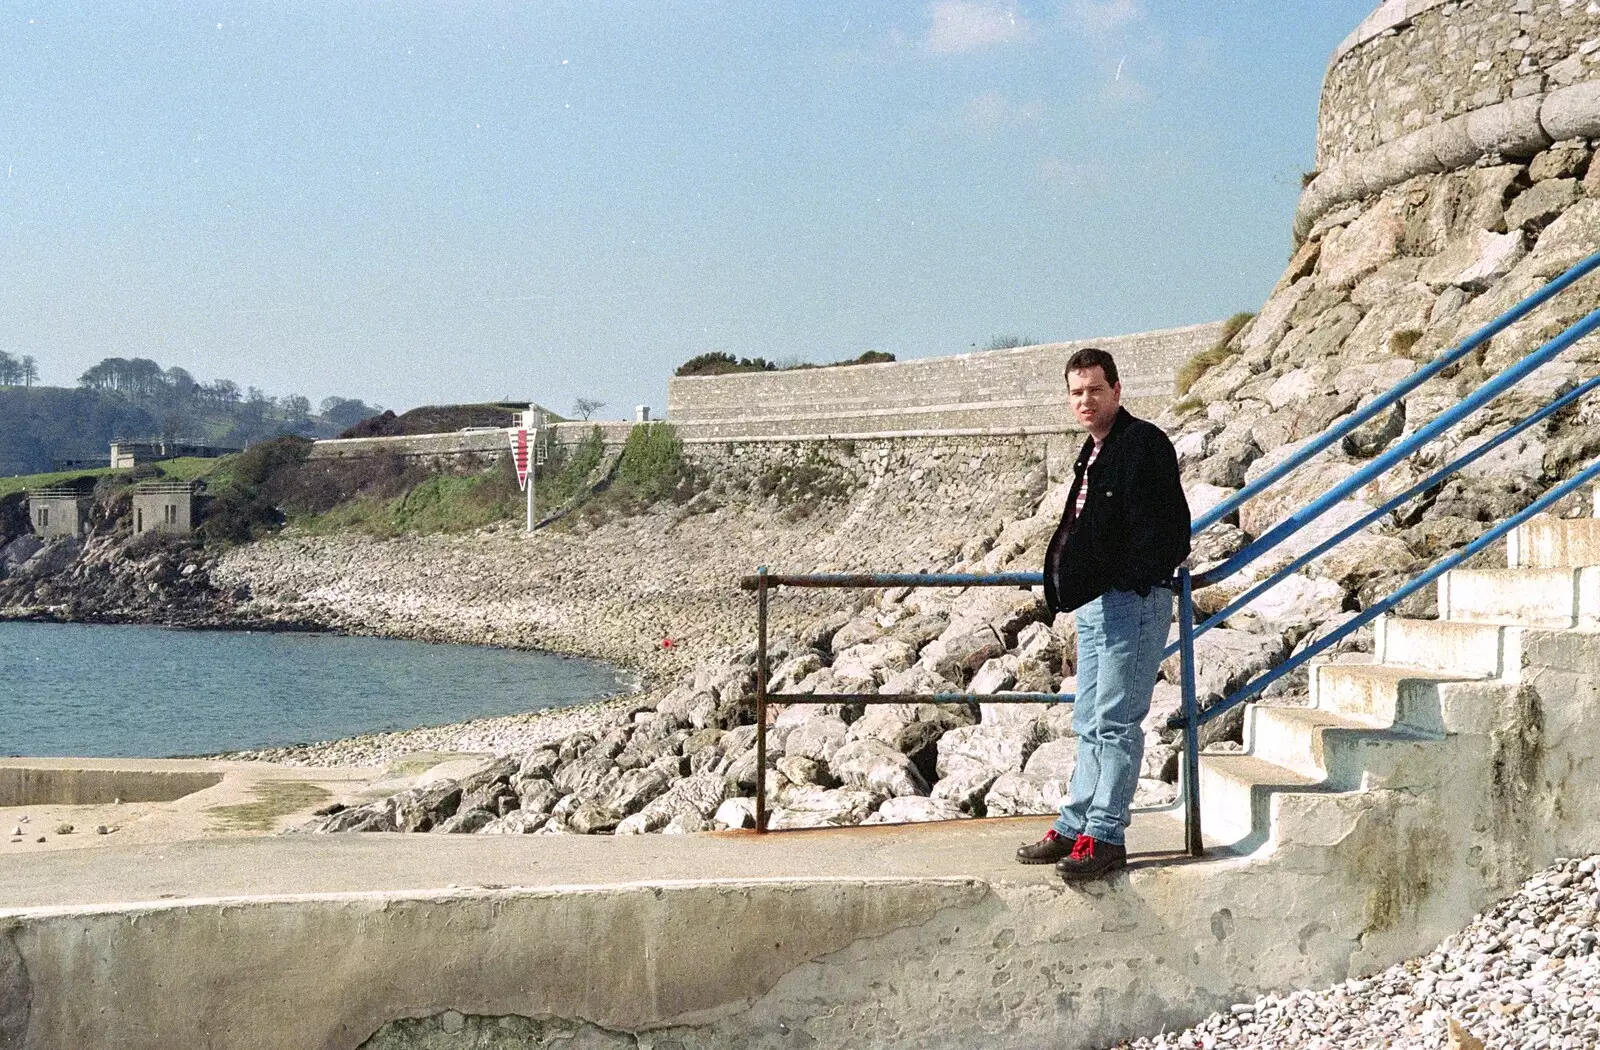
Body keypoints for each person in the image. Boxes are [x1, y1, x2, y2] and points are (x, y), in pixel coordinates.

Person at [1016, 347, 1191, 882]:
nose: (1085, 400)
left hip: (1131, 605)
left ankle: (1107, 834)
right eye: (1076, 392)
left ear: (1117, 390)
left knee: (1115, 723)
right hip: (1096, 606)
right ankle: (1076, 825)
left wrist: (1131, 579)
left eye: (1094, 389)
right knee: (1087, 719)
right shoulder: (1093, 451)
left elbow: (1170, 531)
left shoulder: (1144, 444)